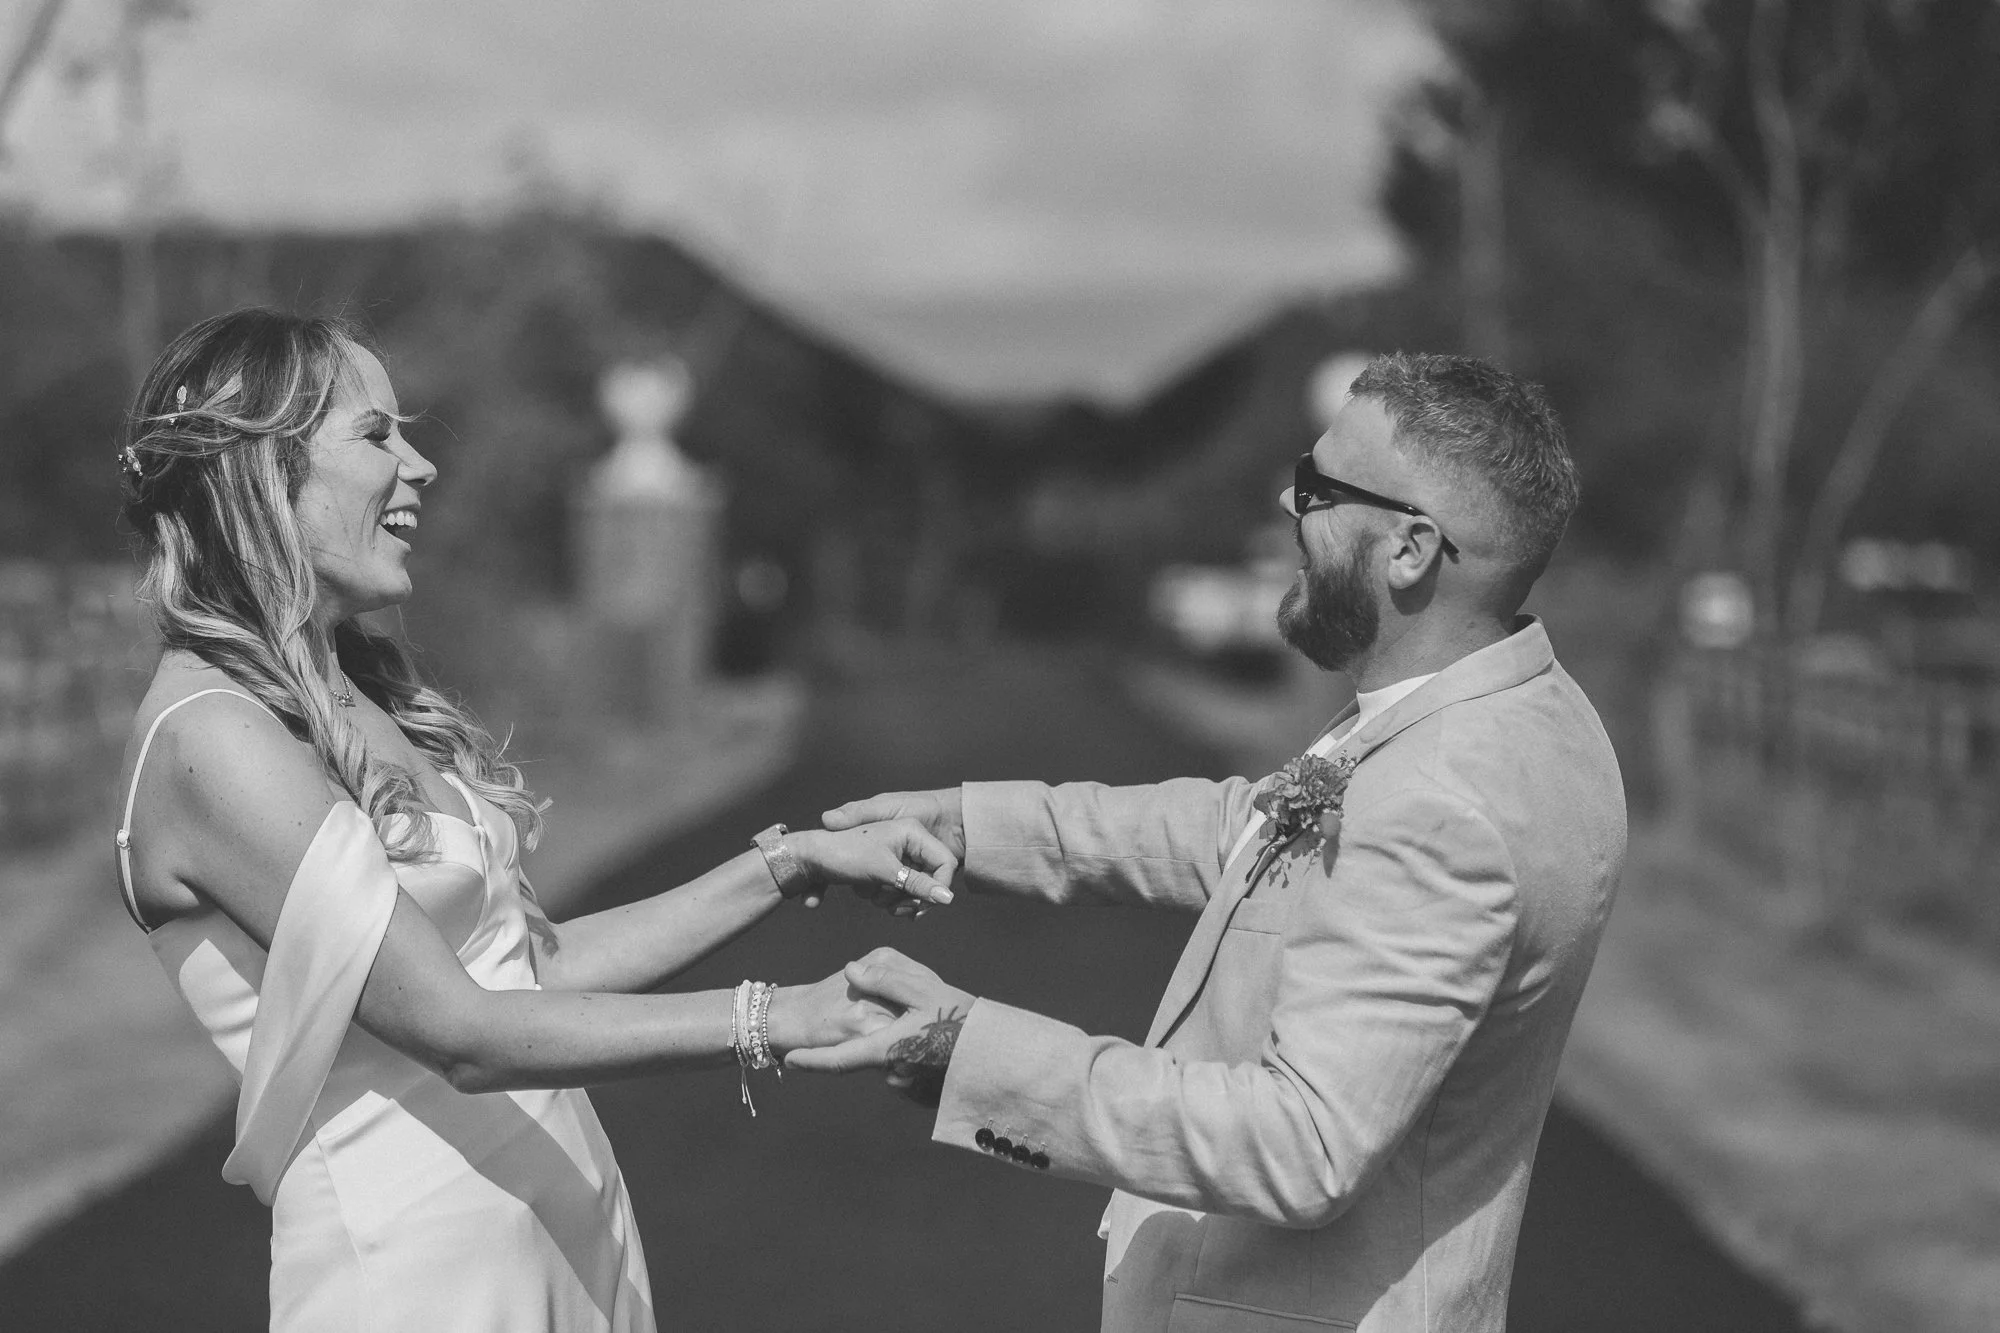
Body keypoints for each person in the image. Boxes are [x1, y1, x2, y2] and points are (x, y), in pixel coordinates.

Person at [111, 308, 955, 1332]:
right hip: (416, 1284)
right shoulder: (212, 736)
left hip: (564, 1236)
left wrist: (790, 863)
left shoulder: (354, 688)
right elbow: (463, 1032)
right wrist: (776, 1016)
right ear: (258, 471)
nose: (419, 464)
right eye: (376, 434)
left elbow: (528, 972)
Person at [800, 353, 1627, 1332]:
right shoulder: (1525, 714)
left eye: (1317, 487)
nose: (1286, 500)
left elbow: (1301, 1143)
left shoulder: (1443, 798)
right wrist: (968, 826)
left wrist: (968, 1048)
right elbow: (1245, 831)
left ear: (1409, 548)